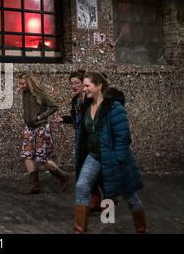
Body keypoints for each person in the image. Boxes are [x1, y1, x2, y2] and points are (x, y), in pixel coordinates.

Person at [73, 72, 147, 233]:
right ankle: (79, 230)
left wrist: (117, 158)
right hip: (94, 156)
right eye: (83, 86)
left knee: (130, 196)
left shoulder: (113, 107)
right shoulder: (86, 107)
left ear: (99, 86)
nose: (84, 89)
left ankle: (142, 230)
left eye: (87, 86)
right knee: (81, 186)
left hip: (114, 157)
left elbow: (123, 137)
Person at [55, 70, 105, 213]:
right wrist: (64, 119)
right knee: (81, 167)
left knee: (95, 170)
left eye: (77, 82)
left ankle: (107, 198)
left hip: (90, 138)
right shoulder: (75, 100)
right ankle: (94, 199)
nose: (74, 86)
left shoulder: (91, 100)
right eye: (72, 83)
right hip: (79, 138)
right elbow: (76, 120)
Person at [17, 71, 69, 194]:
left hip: (41, 128)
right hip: (29, 129)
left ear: (29, 82)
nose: (20, 86)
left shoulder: (39, 93)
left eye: (23, 83)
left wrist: (40, 117)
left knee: (42, 159)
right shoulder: (24, 93)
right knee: (27, 156)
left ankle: (62, 176)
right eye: (19, 84)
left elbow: (54, 106)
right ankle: (34, 186)